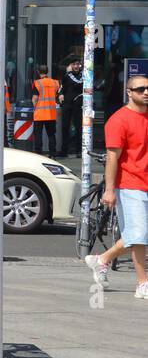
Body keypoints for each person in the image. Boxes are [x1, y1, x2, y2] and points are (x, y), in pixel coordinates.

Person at [84, 73, 148, 298]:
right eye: (140, 89)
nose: (146, 92)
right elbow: (112, 157)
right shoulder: (119, 120)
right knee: (139, 234)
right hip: (130, 184)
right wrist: (109, 190)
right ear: (129, 92)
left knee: (137, 234)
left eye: (147, 88)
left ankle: (102, 259)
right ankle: (143, 284)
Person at [32, 65, 59, 156]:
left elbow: (35, 99)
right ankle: (53, 154)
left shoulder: (37, 83)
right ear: (47, 71)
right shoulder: (55, 83)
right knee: (51, 134)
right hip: (51, 113)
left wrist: (34, 107)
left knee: (38, 134)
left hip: (39, 113)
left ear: (38, 72)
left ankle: (38, 153)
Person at [58, 58, 82, 156]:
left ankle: (78, 150)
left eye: (78, 64)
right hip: (67, 104)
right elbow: (61, 88)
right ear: (71, 65)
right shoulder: (66, 76)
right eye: (74, 64)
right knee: (65, 127)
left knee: (79, 128)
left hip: (78, 104)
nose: (76, 66)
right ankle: (64, 150)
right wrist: (60, 94)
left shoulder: (84, 76)